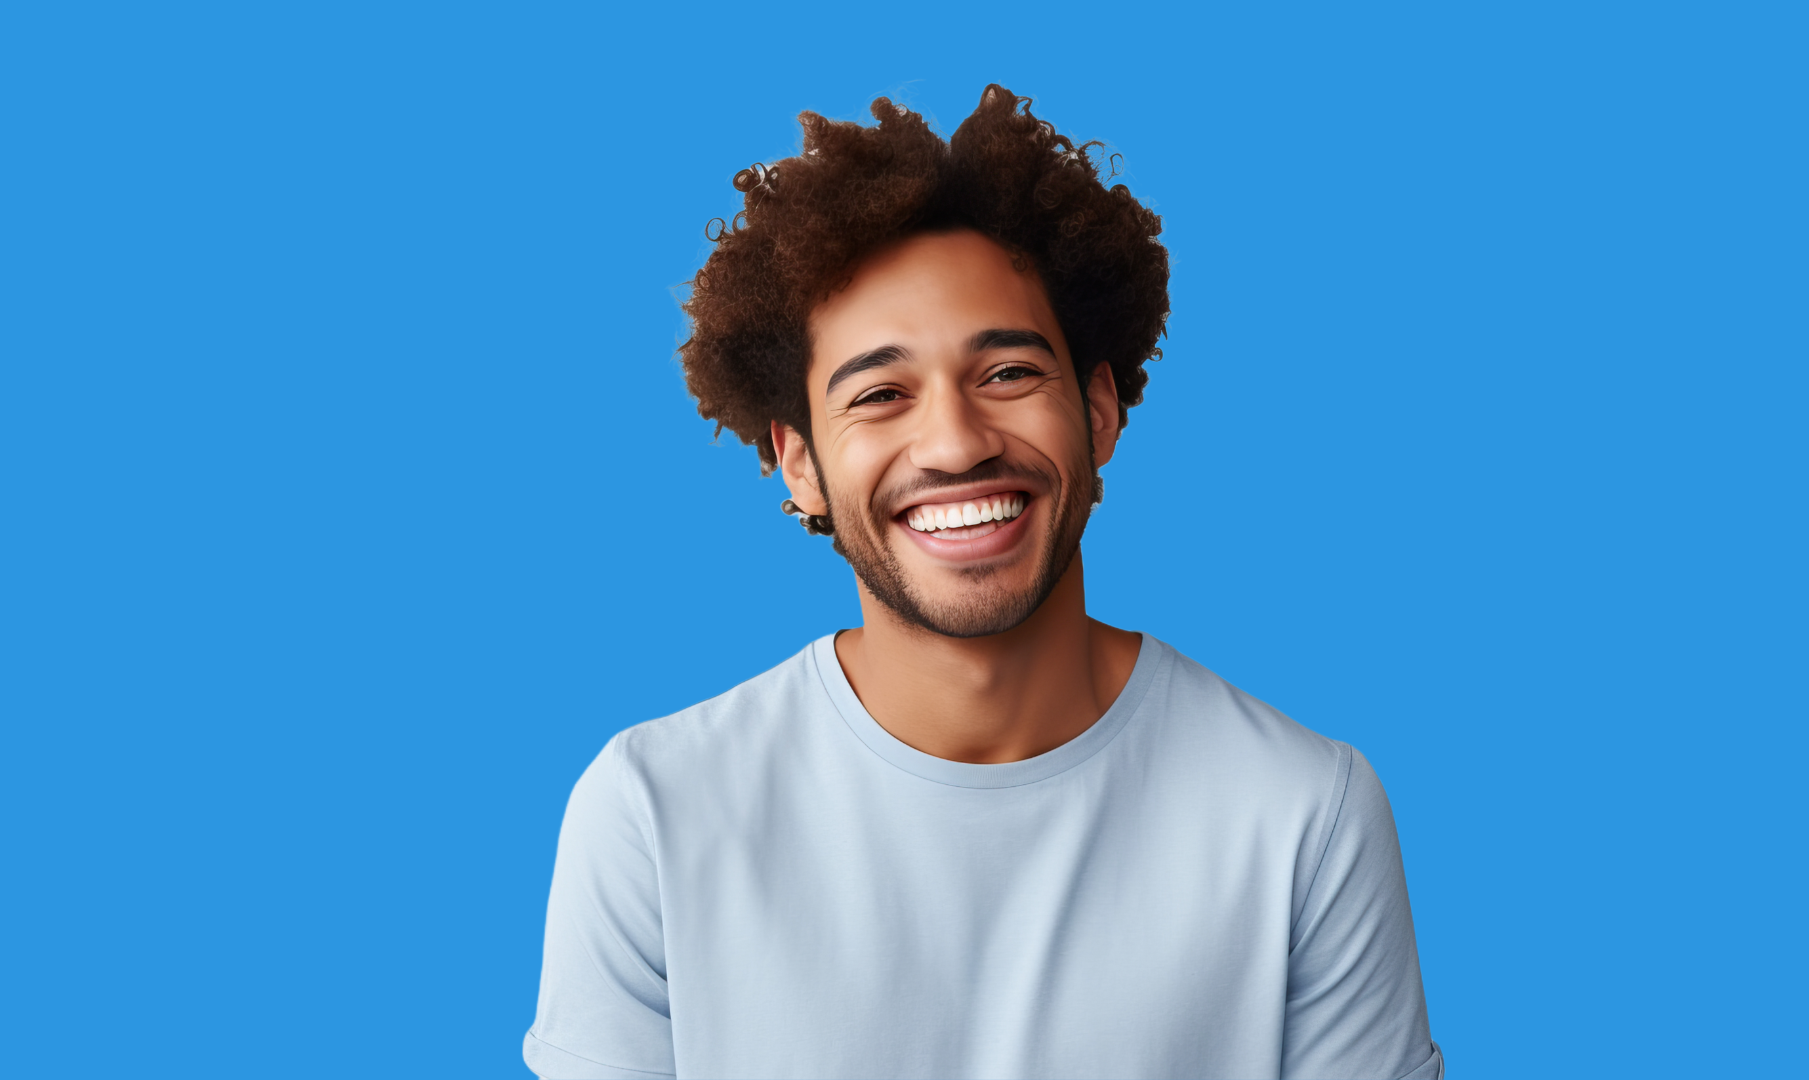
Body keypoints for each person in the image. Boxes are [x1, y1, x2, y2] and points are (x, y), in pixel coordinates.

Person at [524, 85, 1442, 1080]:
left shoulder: (1304, 815)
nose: (957, 442)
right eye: (880, 394)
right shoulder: (654, 814)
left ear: (1098, 413)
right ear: (800, 466)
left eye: (1008, 373)